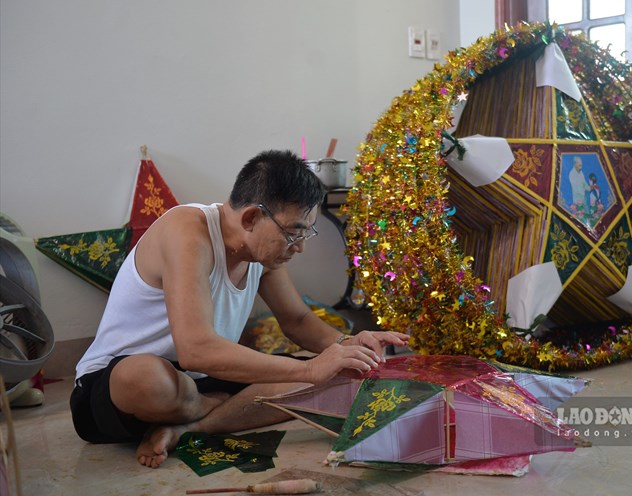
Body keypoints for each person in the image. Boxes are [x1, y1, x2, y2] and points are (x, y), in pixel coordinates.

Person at [70, 150, 409, 469]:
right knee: (146, 379)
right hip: (119, 387)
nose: (301, 247)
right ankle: (229, 410)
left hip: (202, 381)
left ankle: (190, 428)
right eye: (295, 233)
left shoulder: (265, 253)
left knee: (343, 379)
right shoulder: (187, 231)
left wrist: (348, 347)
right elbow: (195, 350)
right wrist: (308, 371)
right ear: (251, 217)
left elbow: (297, 320)